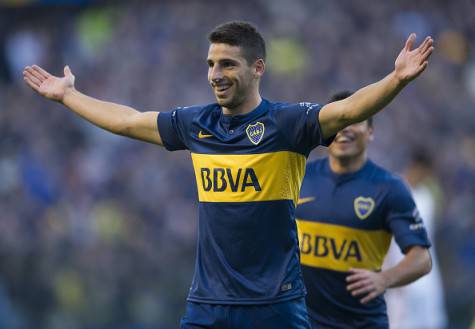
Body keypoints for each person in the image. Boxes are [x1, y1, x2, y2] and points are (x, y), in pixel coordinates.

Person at [23, 21, 434, 329]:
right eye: (210, 64)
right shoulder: (195, 124)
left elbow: (347, 110)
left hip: (276, 306)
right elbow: (129, 121)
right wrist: (69, 96)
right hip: (208, 303)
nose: (215, 73)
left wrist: (396, 79)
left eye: (227, 64)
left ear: (258, 67)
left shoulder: (288, 124)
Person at [296, 91, 433, 329]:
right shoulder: (299, 176)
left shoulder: (389, 188)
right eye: (338, 121)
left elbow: (421, 259)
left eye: (354, 120)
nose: (344, 128)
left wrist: (384, 279)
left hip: (361, 323)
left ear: (370, 131)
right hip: (302, 322)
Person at [384, 149, 448, 329]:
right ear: (418, 167)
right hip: (401, 280)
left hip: (429, 279)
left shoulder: (427, 196)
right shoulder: (393, 192)